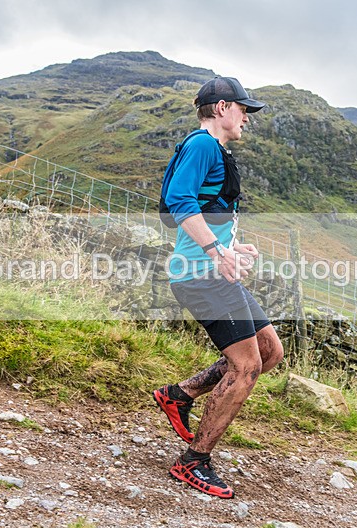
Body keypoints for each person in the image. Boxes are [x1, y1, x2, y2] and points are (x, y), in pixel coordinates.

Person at [153, 77, 284, 499]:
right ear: (223, 107)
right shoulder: (203, 145)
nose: (248, 117)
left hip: (212, 270)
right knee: (245, 369)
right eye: (244, 109)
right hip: (201, 276)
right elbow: (179, 202)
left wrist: (229, 245)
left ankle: (180, 394)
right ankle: (193, 461)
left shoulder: (214, 150)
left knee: (269, 352)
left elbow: (202, 210)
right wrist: (215, 252)